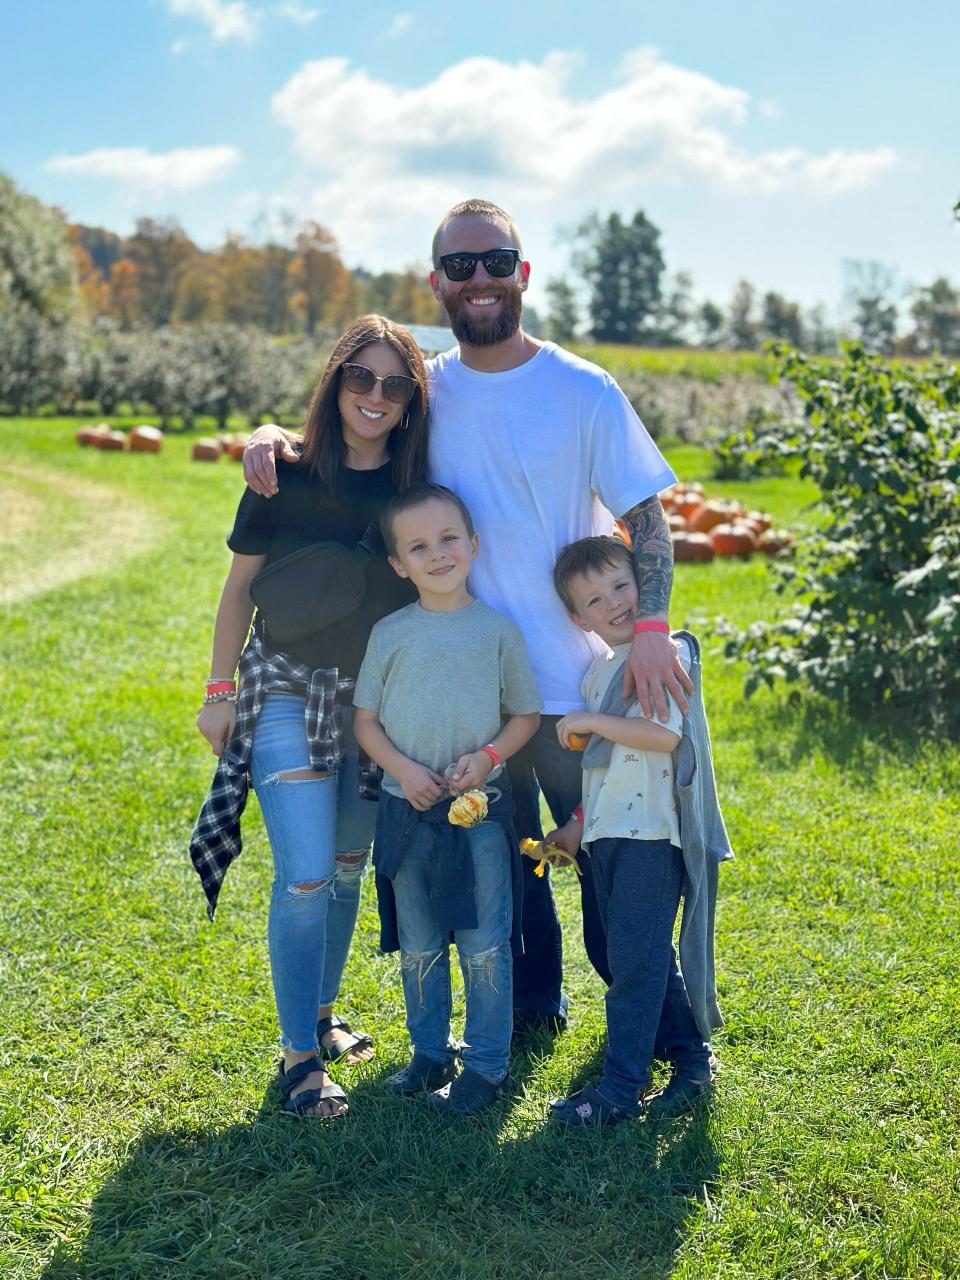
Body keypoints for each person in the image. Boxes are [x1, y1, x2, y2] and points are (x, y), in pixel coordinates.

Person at [242, 198, 694, 1035]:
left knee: (608, 870)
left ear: (523, 273)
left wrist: (653, 629)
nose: (478, 279)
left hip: (569, 682)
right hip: (470, 690)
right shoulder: (425, 393)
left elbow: (649, 517)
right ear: (437, 283)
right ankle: (529, 1017)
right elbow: (350, 427)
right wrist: (272, 434)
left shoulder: (583, 388)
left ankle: (668, 1037)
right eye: (460, 266)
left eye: (495, 262)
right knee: (505, 872)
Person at [190, 315, 430, 1119]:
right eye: (360, 378)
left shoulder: (412, 490)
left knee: (349, 867)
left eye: (394, 385)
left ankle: (323, 1017)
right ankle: (298, 1059)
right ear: (336, 383)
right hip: (284, 687)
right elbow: (236, 593)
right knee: (304, 871)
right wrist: (219, 693)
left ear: (410, 403)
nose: (375, 395)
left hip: (372, 704)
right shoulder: (279, 474)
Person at [353, 483, 541, 1114]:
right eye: (419, 546)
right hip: (407, 811)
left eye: (449, 539)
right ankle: (429, 1052)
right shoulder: (390, 633)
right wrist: (404, 771)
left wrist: (488, 759)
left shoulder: (496, 631)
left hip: (480, 812)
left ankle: (486, 1065)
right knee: (421, 940)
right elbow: (366, 722)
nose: (437, 554)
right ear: (398, 564)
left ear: (473, 545)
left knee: (486, 938)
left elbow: (524, 715)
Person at [544, 535, 730, 1126]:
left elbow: (664, 737)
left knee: (635, 961)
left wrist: (591, 719)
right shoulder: (599, 670)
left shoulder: (664, 653)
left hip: (653, 836)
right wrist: (575, 824)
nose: (615, 603)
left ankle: (620, 1089)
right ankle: (689, 1060)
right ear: (579, 619)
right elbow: (603, 765)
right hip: (608, 837)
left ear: (643, 585)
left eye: (622, 585)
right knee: (619, 952)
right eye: (596, 600)